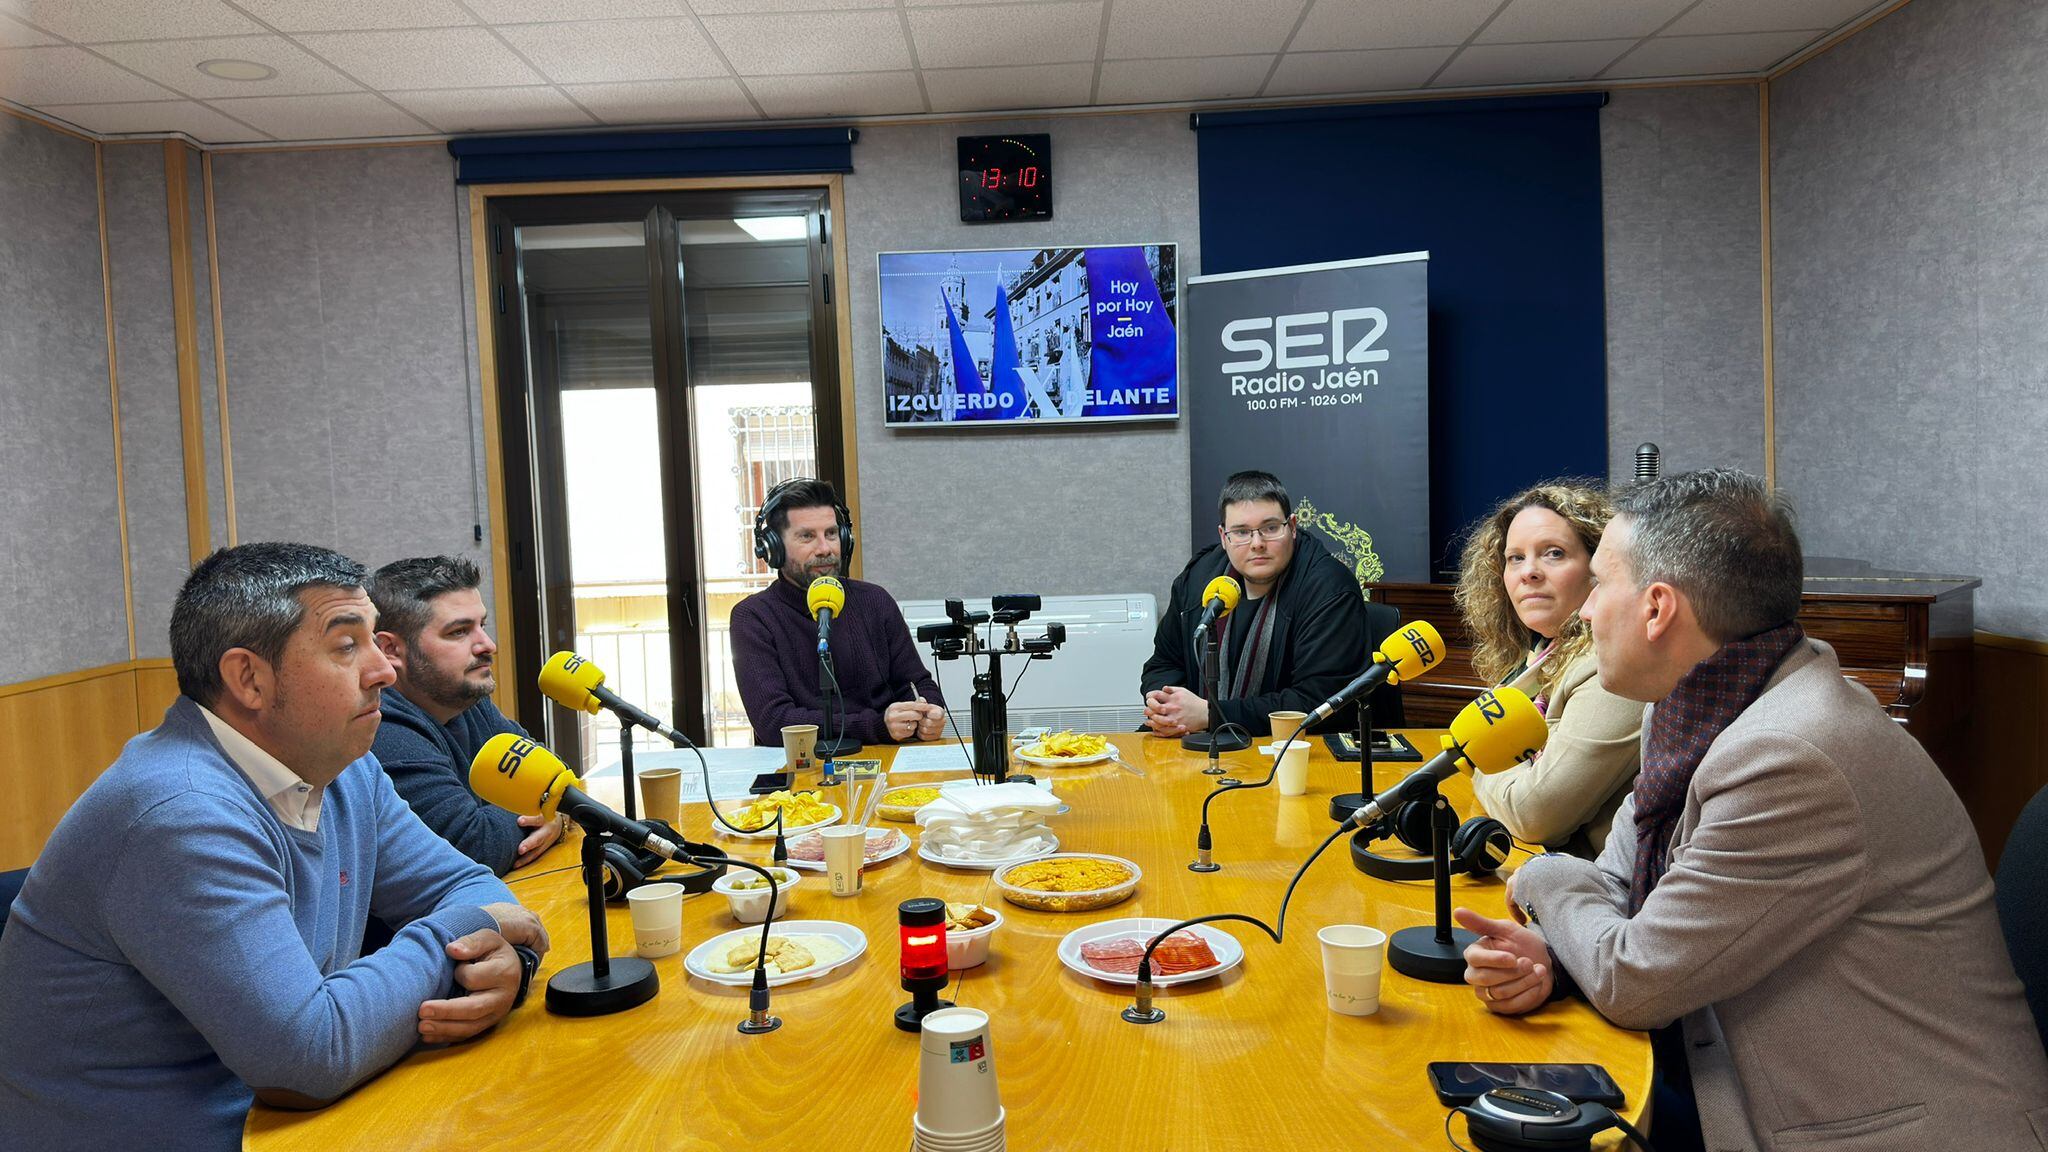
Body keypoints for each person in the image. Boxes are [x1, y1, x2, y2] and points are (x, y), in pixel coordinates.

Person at [1456, 470, 2048, 1151]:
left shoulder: (1793, 756)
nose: (1584, 612)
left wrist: (1542, 877)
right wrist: (1555, 955)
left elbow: (1632, 977)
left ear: (1656, 609)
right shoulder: (1685, 708)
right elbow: (1619, 886)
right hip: (1735, 1079)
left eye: (1598, 585)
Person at [0, 543, 548, 1150]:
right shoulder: (181, 813)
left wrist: (506, 963)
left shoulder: (343, 767)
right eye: (347, 646)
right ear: (249, 679)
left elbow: (463, 885)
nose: (385, 672)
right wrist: (473, 932)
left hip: (298, 1116)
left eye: (375, 640)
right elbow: (309, 1052)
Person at [1454, 482, 1642, 857]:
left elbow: (1534, 814)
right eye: (1515, 558)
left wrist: (1478, 760)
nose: (1529, 573)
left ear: (1599, 567)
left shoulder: (1614, 668)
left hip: (1609, 890)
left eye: (1553, 554)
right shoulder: (1541, 650)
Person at [1141, 469, 1388, 738]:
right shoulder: (1199, 577)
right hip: (1194, 740)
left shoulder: (1330, 588)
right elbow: (1163, 663)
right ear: (1224, 537)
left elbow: (1320, 703)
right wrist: (1166, 707)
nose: (1257, 543)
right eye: (1242, 532)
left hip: (1294, 749)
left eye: (1270, 528)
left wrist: (1210, 714)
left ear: (1292, 527)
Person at [368, 555, 561, 876]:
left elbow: (552, 773)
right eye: (459, 632)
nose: (488, 645)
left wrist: (557, 811)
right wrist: (550, 808)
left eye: (481, 626)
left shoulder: (463, 696)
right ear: (391, 650)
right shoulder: (381, 726)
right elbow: (476, 846)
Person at [730, 478, 946, 746]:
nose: (825, 549)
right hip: (803, 766)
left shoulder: (875, 600)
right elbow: (774, 721)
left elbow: (918, 684)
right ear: (773, 548)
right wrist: (876, 726)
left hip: (889, 761)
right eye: (807, 536)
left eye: (831, 534)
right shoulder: (753, 617)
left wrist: (929, 714)